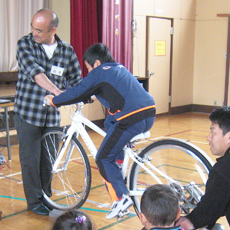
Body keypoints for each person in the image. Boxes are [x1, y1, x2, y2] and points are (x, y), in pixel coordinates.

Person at [45, 43, 156, 219]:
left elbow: (78, 91)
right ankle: (118, 162)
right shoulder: (118, 68)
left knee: (103, 158)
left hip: (131, 119)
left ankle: (121, 198)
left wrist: (54, 100)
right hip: (149, 114)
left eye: (89, 68)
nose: (90, 72)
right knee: (110, 122)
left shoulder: (99, 71)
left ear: (96, 63)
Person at [15, 8, 82, 216]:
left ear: (53, 30)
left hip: (51, 116)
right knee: (30, 161)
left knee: (49, 159)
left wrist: (88, 92)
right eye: (33, 28)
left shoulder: (66, 51)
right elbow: (36, 74)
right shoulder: (25, 44)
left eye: (39, 30)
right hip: (28, 114)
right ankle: (34, 201)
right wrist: (58, 93)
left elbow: (76, 81)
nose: (34, 33)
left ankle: (45, 196)